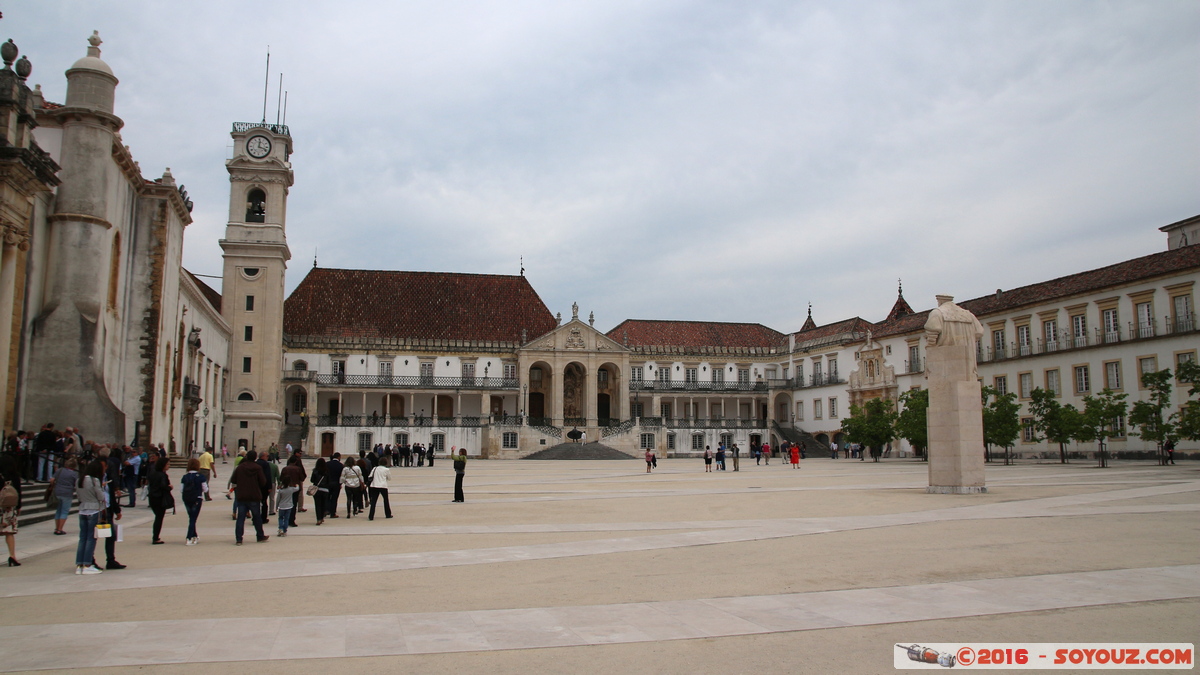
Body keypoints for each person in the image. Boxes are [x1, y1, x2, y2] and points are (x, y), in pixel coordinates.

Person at [229, 449, 269, 545]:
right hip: (254, 495)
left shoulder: (240, 468)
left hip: (242, 495)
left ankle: (239, 538)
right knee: (257, 517)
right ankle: (260, 535)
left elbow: (233, 480)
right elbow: (263, 482)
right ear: (255, 457)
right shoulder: (257, 468)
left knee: (240, 518)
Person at [74, 460, 106, 574]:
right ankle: (87, 564)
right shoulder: (94, 480)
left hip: (83, 509)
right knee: (91, 538)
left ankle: (80, 564)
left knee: (82, 538)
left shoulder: (79, 480)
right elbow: (101, 496)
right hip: (93, 509)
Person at [99, 446, 125, 569]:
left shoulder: (105, 479)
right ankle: (106, 559)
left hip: (106, 508)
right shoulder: (95, 481)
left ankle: (110, 559)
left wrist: (116, 509)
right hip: (100, 510)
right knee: (100, 535)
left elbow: (110, 495)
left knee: (109, 534)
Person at [179, 458, 208, 545]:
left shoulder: (185, 477)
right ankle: (189, 537)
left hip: (187, 499)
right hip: (197, 498)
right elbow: (205, 489)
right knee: (193, 518)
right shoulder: (201, 477)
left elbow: (181, 490)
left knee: (192, 517)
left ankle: (195, 535)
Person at [0, 455, 22, 566]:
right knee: (9, 533)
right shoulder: (14, 477)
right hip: (9, 509)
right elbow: (18, 493)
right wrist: (19, 506)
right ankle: (12, 556)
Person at [50, 457, 79, 535]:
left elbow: (52, 479)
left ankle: (56, 528)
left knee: (58, 510)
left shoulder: (60, 470)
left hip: (57, 491)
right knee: (64, 511)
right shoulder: (74, 474)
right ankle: (60, 529)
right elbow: (76, 484)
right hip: (67, 493)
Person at [147, 456, 172, 544]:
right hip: (160, 498)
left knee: (158, 517)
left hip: (152, 497)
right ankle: (155, 537)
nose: (169, 466)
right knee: (159, 518)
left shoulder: (153, 473)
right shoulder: (163, 475)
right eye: (167, 464)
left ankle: (155, 536)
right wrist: (169, 487)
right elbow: (163, 486)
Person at [280, 456, 307, 528]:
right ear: (295, 462)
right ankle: (291, 520)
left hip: (286, 487)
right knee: (294, 504)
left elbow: (281, 478)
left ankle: (285, 519)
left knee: (285, 503)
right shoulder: (298, 469)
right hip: (295, 488)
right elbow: (302, 478)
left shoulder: (285, 469)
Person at [310, 458, 329, 526]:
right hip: (325, 490)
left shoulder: (315, 471)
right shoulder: (327, 471)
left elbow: (312, 480)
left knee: (318, 505)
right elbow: (329, 481)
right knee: (323, 504)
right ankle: (322, 516)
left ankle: (318, 519)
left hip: (317, 490)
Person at [325, 453, 343, 519]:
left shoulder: (327, 464)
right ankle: (333, 513)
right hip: (336, 483)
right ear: (339, 457)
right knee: (334, 499)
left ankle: (326, 510)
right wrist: (340, 484)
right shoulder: (340, 465)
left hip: (328, 483)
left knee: (327, 497)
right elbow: (341, 476)